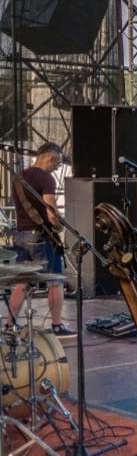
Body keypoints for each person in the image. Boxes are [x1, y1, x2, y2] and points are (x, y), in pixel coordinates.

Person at [7, 142, 73, 336]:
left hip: (20, 235)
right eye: (58, 164)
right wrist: (61, 228)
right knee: (55, 280)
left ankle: (10, 325)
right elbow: (52, 213)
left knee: (22, 282)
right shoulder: (46, 179)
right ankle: (57, 326)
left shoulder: (19, 178)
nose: (57, 168)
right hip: (40, 236)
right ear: (50, 157)